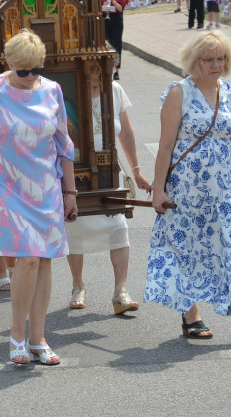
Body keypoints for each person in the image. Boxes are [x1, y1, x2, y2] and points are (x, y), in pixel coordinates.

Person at [0, 30, 78, 365]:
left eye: (36, 70)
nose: (30, 78)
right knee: (27, 258)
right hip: (8, 186)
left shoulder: (52, 90)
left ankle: (39, 339)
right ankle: (17, 336)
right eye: (23, 71)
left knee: (43, 260)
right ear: (9, 63)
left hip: (46, 186)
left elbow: (64, 145)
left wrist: (70, 191)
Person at [146, 31, 231, 342]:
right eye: (209, 59)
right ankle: (192, 316)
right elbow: (165, 147)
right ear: (194, 60)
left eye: (222, 58)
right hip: (187, 190)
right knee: (190, 249)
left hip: (225, 189)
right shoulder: (179, 93)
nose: (217, 64)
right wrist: (159, 190)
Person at [66, 78, 151, 314]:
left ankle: (120, 292)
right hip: (77, 168)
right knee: (75, 227)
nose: (96, 79)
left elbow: (126, 134)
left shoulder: (114, 89)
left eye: (101, 71)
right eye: (91, 73)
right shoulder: (69, 88)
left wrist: (136, 172)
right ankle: (78, 286)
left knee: (119, 227)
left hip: (109, 170)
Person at [100, 0, 129, 80]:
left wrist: (114, 2)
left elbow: (121, 9)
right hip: (105, 19)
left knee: (117, 44)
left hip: (116, 19)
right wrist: (103, 5)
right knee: (105, 43)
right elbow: (97, 7)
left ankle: (117, 70)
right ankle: (106, 68)